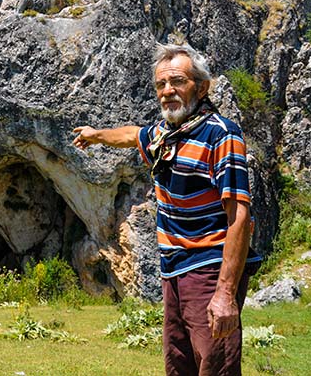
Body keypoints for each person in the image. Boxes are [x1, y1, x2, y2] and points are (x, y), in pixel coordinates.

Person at [72, 43, 261, 376]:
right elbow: (133, 135)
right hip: (173, 270)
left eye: (177, 81)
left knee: (215, 365)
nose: (167, 91)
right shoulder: (166, 135)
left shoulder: (221, 135)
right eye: (161, 84)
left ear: (201, 88)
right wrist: (96, 135)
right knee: (178, 364)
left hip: (208, 269)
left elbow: (239, 218)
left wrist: (225, 294)